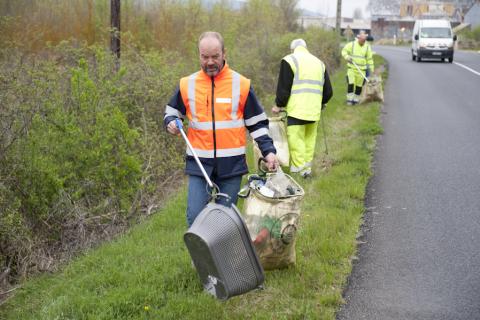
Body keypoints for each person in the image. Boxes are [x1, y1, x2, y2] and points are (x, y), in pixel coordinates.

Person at [164, 31, 278, 227]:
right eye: (205, 56)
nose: (210, 62)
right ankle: (200, 259)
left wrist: (268, 152)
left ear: (224, 54)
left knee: (225, 222)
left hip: (231, 166)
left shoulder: (241, 84)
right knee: (195, 217)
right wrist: (171, 122)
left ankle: (221, 257)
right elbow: (172, 112)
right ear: (199, 55)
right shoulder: (187, 84)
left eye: (215, 56)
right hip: (200, 165)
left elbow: (257, 123)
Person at [271, 39, 333, 178]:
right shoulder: (319, 63)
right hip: (314, 111)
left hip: (297, 111)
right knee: (309, 141)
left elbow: (284, 88)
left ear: (292, 49)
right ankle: (306, 171)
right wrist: (321, 102)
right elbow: (328, 92)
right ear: (305, 47)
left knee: (296, 141)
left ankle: (299, 172)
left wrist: (278, 105)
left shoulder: (289, 60)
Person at [341, 30, 374, 105]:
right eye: (362, 40)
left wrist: (371, 69)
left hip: (362, 70)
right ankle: (349, 100)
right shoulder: (352, 45)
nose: (363, 42)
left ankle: (356, 100)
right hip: (352, 68)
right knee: (351, 83)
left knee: (359, 86)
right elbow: (344, 51)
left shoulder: (367, 47)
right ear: (358, 38)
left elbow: (369, 59)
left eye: (364, 41)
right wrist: (347, 57)